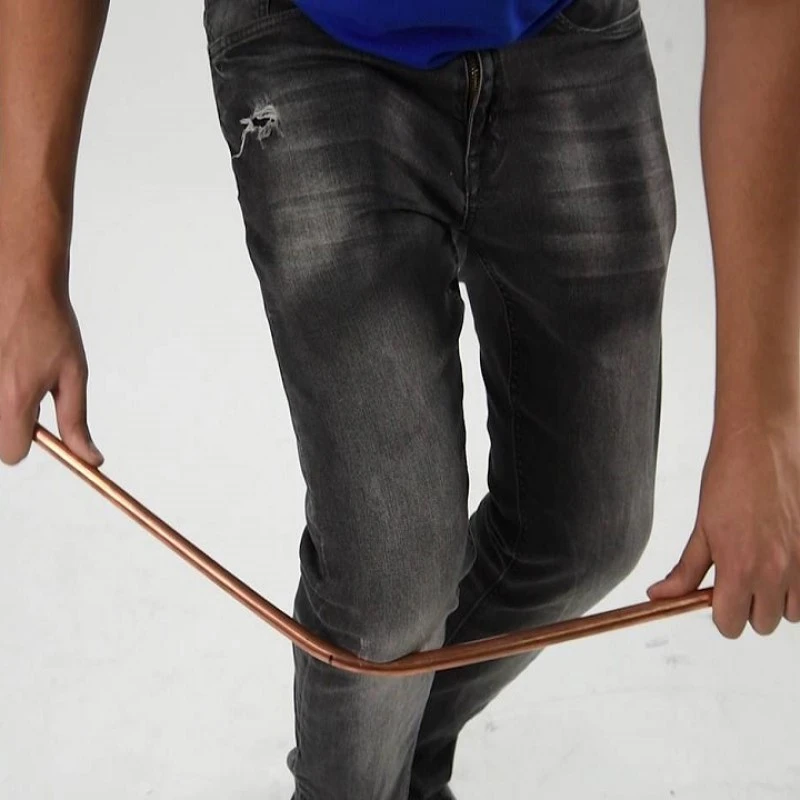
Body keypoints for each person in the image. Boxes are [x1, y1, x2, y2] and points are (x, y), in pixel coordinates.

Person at [1, 0, 798, 797]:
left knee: (590, 530)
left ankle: (379, 766)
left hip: (564, 25)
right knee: (390, 576)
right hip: (313, 35)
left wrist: (760, 420)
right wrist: (29, 261)